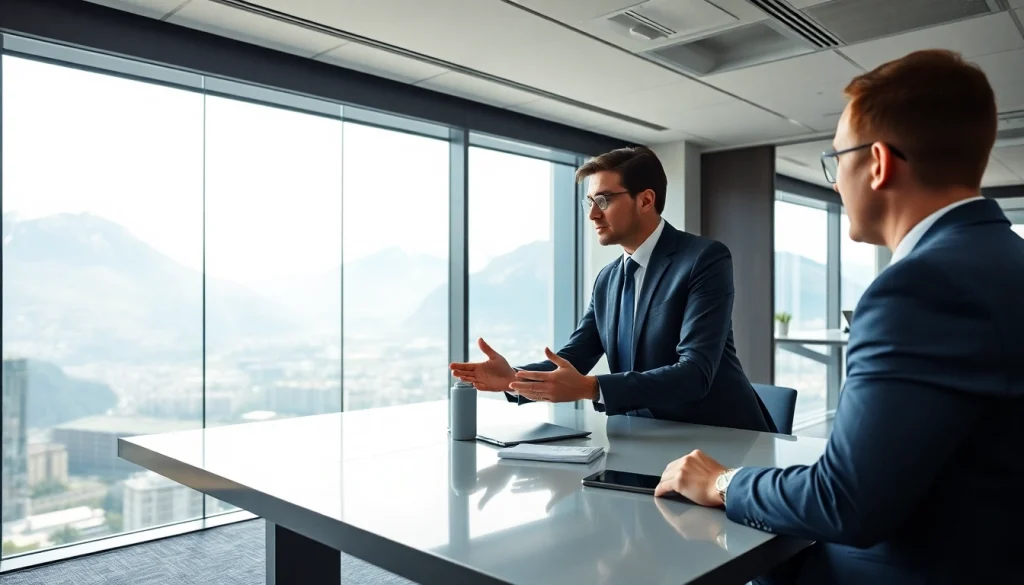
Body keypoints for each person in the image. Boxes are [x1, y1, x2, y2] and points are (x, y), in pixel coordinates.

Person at [653, 49, 1024, 584]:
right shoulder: (1004, 260)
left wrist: (724, 483)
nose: (834, 182)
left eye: (836, 160)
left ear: (878, 162)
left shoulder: (919, 288)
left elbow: (846, 501)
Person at [450, 146, 774, 432]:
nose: (592, 214)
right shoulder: (607, 279)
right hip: (646, 439)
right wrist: (512, 378)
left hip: (724, 440)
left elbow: (694, 373)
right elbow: (575, 358)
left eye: (603, 200)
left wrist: (591, 388)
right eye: (589, 202)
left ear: (646, 200)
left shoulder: (704, 259)